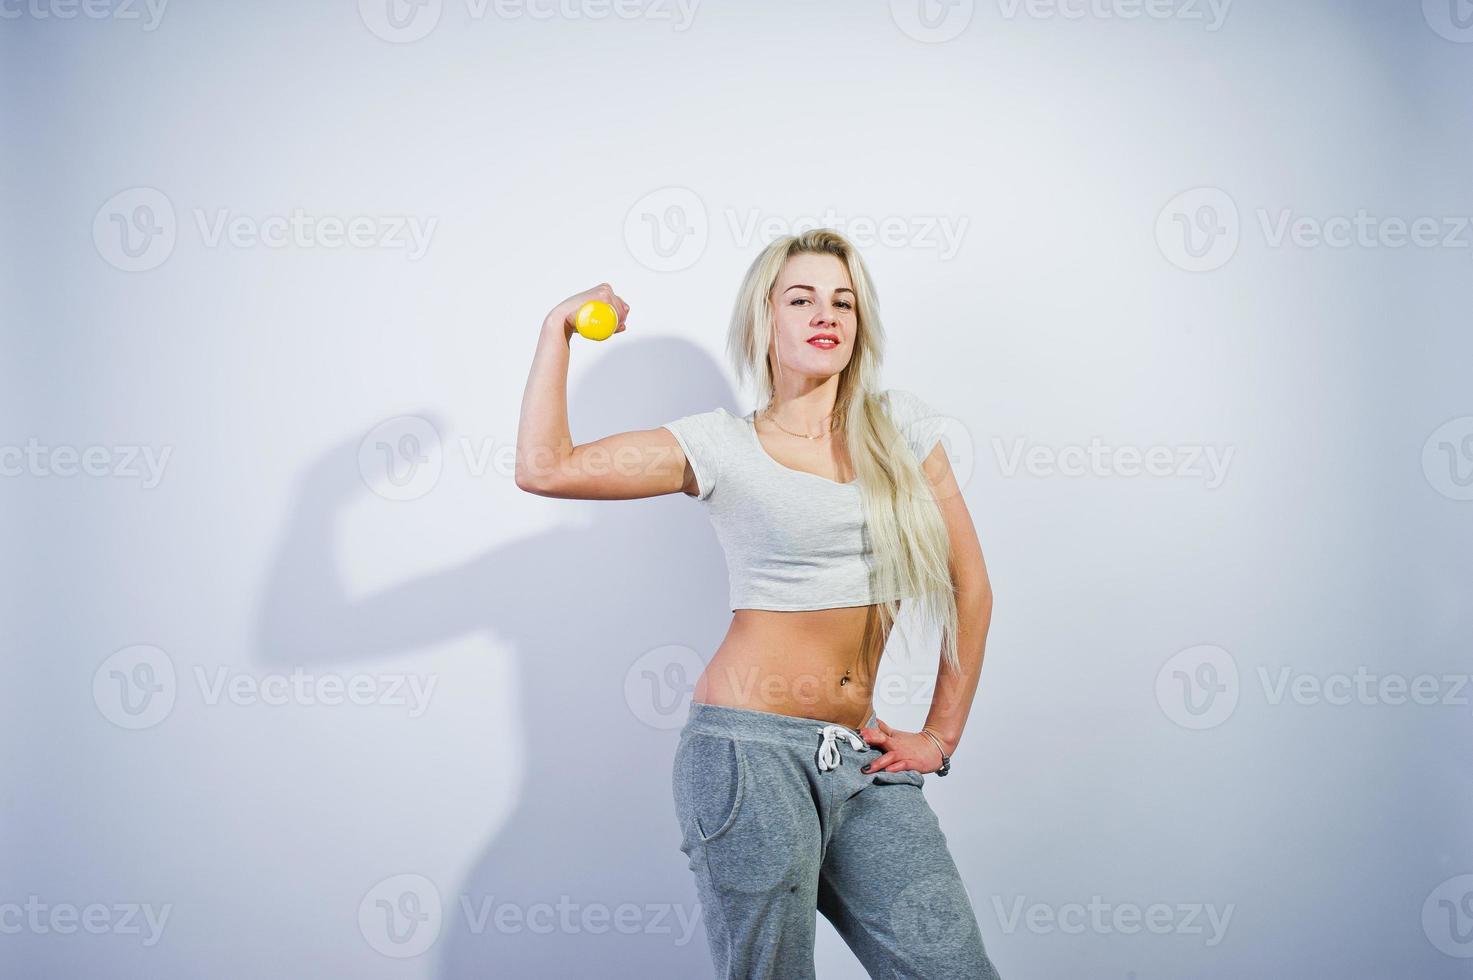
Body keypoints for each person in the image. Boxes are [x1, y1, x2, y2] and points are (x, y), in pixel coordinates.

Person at [515, 228, 1002, 979]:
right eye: (800, 298)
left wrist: (941, 735)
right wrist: (557, 330)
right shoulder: (719, 445)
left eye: (842, 301)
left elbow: (969, 586)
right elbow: (546, 469)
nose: (825, 314)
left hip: (861, 757)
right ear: (764, 320)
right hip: (748, 752)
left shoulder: (898, 429)